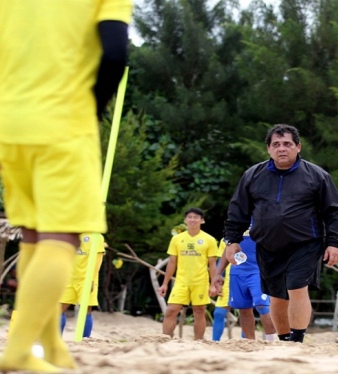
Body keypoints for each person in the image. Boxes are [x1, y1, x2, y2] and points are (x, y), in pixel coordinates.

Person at [0, 0, 131, 371]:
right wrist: (90, 109)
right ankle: (20, 351)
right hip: (63, 121)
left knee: (34, 234)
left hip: (8, 120)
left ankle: (49, 342)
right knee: (62, 238)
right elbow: (115, 54)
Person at [223, 124, 338, 343]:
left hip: (306, 243)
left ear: (298, 147)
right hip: (268, 244)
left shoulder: (317, 176)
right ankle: (284, 339)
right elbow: (237, 210)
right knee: (276, 294)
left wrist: (335, 242)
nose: (282, 149)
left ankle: (297, 339)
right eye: (276, 144)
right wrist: (232, 240)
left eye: (287, 144)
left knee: (296, 285)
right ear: (268, 149)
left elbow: (334, 211)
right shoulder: (252, 175)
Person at [159, 208, 220, 340]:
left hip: (200, 281)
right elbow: (172, 263)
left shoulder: (209, 240)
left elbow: (212, 264)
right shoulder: (177, 239)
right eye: (190, 217)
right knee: (171, 311)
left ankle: (197, 342)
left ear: (202, 220)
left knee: (199, 311)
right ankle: (165, 340)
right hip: (181, 282)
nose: (193, 220)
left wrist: (213, 285)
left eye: (196, 217)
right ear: (185, 220)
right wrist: (164, 283)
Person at [212, 230, 278, 341]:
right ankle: (249, 342)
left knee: (262, 305)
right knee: (244, 309)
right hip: (237, 272)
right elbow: (228, 249)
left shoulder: (262, 217)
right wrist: (218, 273)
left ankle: (272, 341)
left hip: (258, 270)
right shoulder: (235, 221)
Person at [60, 234, 106, 338]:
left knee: (85, 309)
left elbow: (97, 261)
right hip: (69, 278)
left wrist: (91, 279)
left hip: (86, 279)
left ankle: (85, 340)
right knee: (60, 309)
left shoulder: (95, 236)